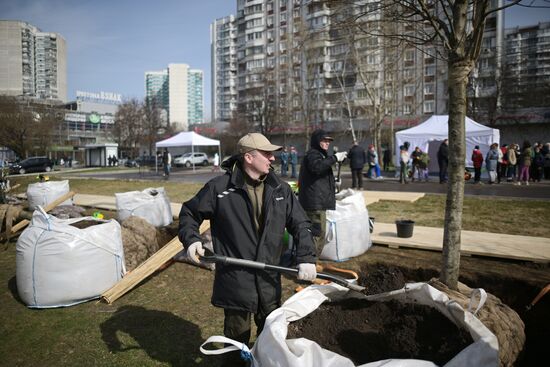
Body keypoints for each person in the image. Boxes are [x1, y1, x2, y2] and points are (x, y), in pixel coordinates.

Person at [179, 133, 317, 362]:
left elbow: (301, 224)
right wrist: (191, 239)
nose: (272, 158)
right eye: (267, 153)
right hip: (236, 280)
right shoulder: (220, 189)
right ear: (249, 157)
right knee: (236, 342)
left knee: (272, 340)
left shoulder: (280, 189)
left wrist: (306, 257)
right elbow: (189, 213)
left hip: (269, 279)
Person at [298, 129, 347, 256]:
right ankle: (309, 263)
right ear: (316, 141)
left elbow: (319, 176)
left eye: (328, 141)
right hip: (314, 204)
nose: (327, 143)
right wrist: (335, 158)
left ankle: (311, 262)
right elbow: (317, 167)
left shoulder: (319, 155)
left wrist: (334, 183)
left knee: (317, 234)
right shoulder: (313, 154)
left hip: (316, 202)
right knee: (317, 234)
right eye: (324, 140)